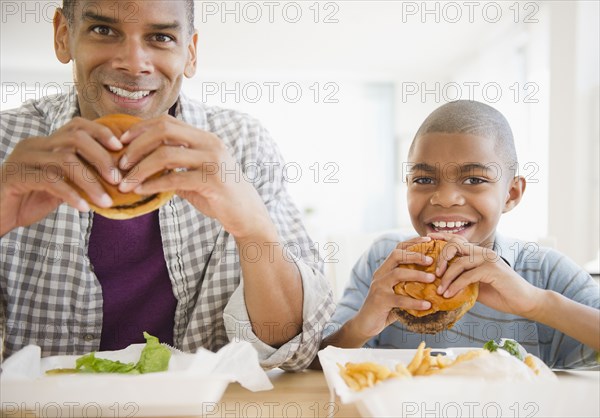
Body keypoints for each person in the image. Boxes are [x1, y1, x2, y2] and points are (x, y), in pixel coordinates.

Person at [0, 0, 333, 370]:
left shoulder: (242, 145)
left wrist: (253, 229)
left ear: (189, 54)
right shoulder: (7, 142)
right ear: (63, 36)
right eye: (103, 30)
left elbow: (293, 351)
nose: (134, 62)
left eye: (160, 37)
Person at [315, 100, 599, 369]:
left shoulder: (544, 271)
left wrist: (537, 303)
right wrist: (362, 325)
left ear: (511, 194)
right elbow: (315, 363)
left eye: (474, 180)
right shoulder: (385, 260)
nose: (445, 198)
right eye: (424, 180)